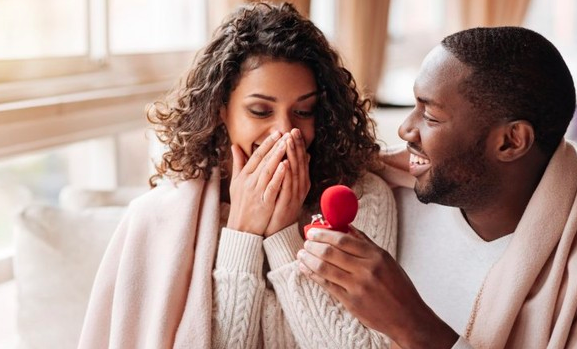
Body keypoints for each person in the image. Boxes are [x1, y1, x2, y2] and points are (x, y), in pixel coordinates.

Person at [78, 2, 397, 348]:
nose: (284, 132)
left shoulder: (362, 198)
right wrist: (241, 235)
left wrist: (283, 235)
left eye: (304, 111)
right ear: (220, 111)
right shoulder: (160, 219)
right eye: (260, 111)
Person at [298, 26, 577, 348]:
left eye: (430, 116)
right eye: (413, 105)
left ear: (510, 141)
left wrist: (412, 325)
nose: (405, 130)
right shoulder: (379, 198)